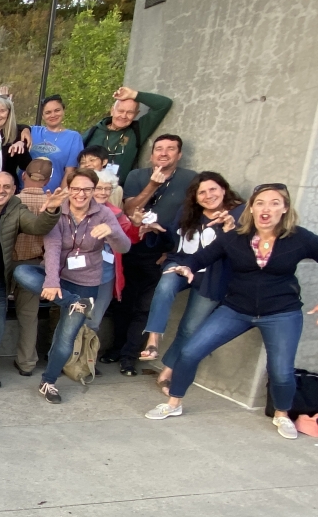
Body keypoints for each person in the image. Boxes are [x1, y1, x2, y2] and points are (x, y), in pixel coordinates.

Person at [146, 184, 318, 439]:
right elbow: (201, 257)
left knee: (281, 371)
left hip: (281, 312)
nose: (266, 208)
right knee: (191, 351)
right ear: (251, 207)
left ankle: (282, 414)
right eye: (260, 202)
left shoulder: (300, 238)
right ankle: (174, 404)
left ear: (284, 208)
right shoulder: (236, 237)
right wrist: (186, 267)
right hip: (236, 309)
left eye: (274, 203)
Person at [14, 169, 131, 403]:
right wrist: (52, 282)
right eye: (76, 188)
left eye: (87, 189)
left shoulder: (104, 213)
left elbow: (124, 247)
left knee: (65, 337)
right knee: (21, 272)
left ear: (94, 191)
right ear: (69, 189)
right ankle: (74, 303)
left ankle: (49, 382)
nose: (81, 194)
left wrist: (113, 232)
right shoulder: (58, 210)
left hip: (86, 283)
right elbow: (53, 246)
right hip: (60, 281)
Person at [136, 172, 243, 391]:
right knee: (165, 285)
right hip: (180, 263)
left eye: (213, 189)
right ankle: (153, 339)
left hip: (212, 275)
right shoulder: (188, 213)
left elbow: (239, 251)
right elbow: (174, 239)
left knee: (190, 328)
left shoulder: (237, 216)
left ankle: (168, 371)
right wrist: (157, 231)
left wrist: (230, 229)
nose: (208, 195)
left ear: (224, 189)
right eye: (201, 192)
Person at [106, 135, 199, 375]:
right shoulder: (138, 176)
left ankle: (129, 357)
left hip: (162, 251)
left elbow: (192, 218)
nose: (164, 153)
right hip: (131, 245)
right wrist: (153, 185)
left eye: (170, 149)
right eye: (159, 149)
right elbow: (129, 208)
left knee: (145, 307)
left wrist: (172, 250)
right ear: (151, 154)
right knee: (123, 303)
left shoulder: (191, 180)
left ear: (179, 154)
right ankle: (117, 347)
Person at [0, 171, 62, 389]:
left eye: (7, 187)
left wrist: (52, 210)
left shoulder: (17, 208)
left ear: (14, 190)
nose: (1, 191)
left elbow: (39, 227)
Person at [9, 158, 56, 377]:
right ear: (48, 180)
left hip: (7, 263)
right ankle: (26, 362)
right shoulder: (53, 205)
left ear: (24, 176)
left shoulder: (13, 200)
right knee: (29, 316)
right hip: (34, 264)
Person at [82, 86, 173, 184]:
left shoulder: (138, 130)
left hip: (119, 191)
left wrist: (134, 95)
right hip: (88, 188)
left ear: (136, 114)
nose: (124, 116)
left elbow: (164, 104)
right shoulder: (94, 131)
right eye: (120, 111)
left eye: (130, 112)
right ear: (112, 110)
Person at [85, 169, 136, 341]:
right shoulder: (76, 209)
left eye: (107, 189)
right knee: (73, 320)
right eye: (99, 188)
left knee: (95, 320)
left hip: (107, 274)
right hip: (78, 273)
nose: (103, 192)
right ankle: (66, 360)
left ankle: (84, 362)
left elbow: (129, 240)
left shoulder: (117, 213)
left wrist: (136, 225)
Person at [28, 95, 84, 193]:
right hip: (23, 193)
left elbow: (70, 172)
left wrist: (59, 198)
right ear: (42, 116)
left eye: (57, 110)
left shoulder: (73, 137)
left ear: (63, 111)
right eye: (48, 112)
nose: (53, 115)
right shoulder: (32, 131)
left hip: (51, 195)